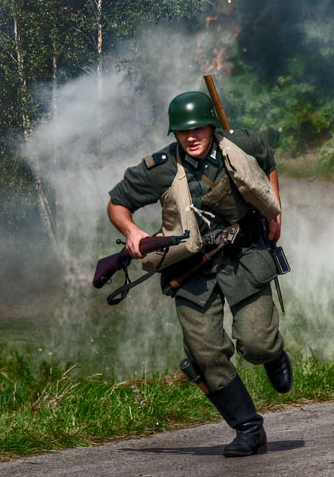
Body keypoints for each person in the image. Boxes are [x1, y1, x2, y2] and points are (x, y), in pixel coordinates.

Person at [106, 91, 293, 457]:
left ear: (210, 125)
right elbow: (117, 203)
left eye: (198, 129)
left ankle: (273, 354)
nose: (191, 137)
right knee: (205, 355)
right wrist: (132, 231)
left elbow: (267, 161)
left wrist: (275, 210)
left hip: (245, 257)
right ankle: (249, 428)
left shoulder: (240, 143)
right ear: (174, 133)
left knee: (257, 343)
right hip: (192, 269)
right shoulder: (160, 167)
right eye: (182, 131)